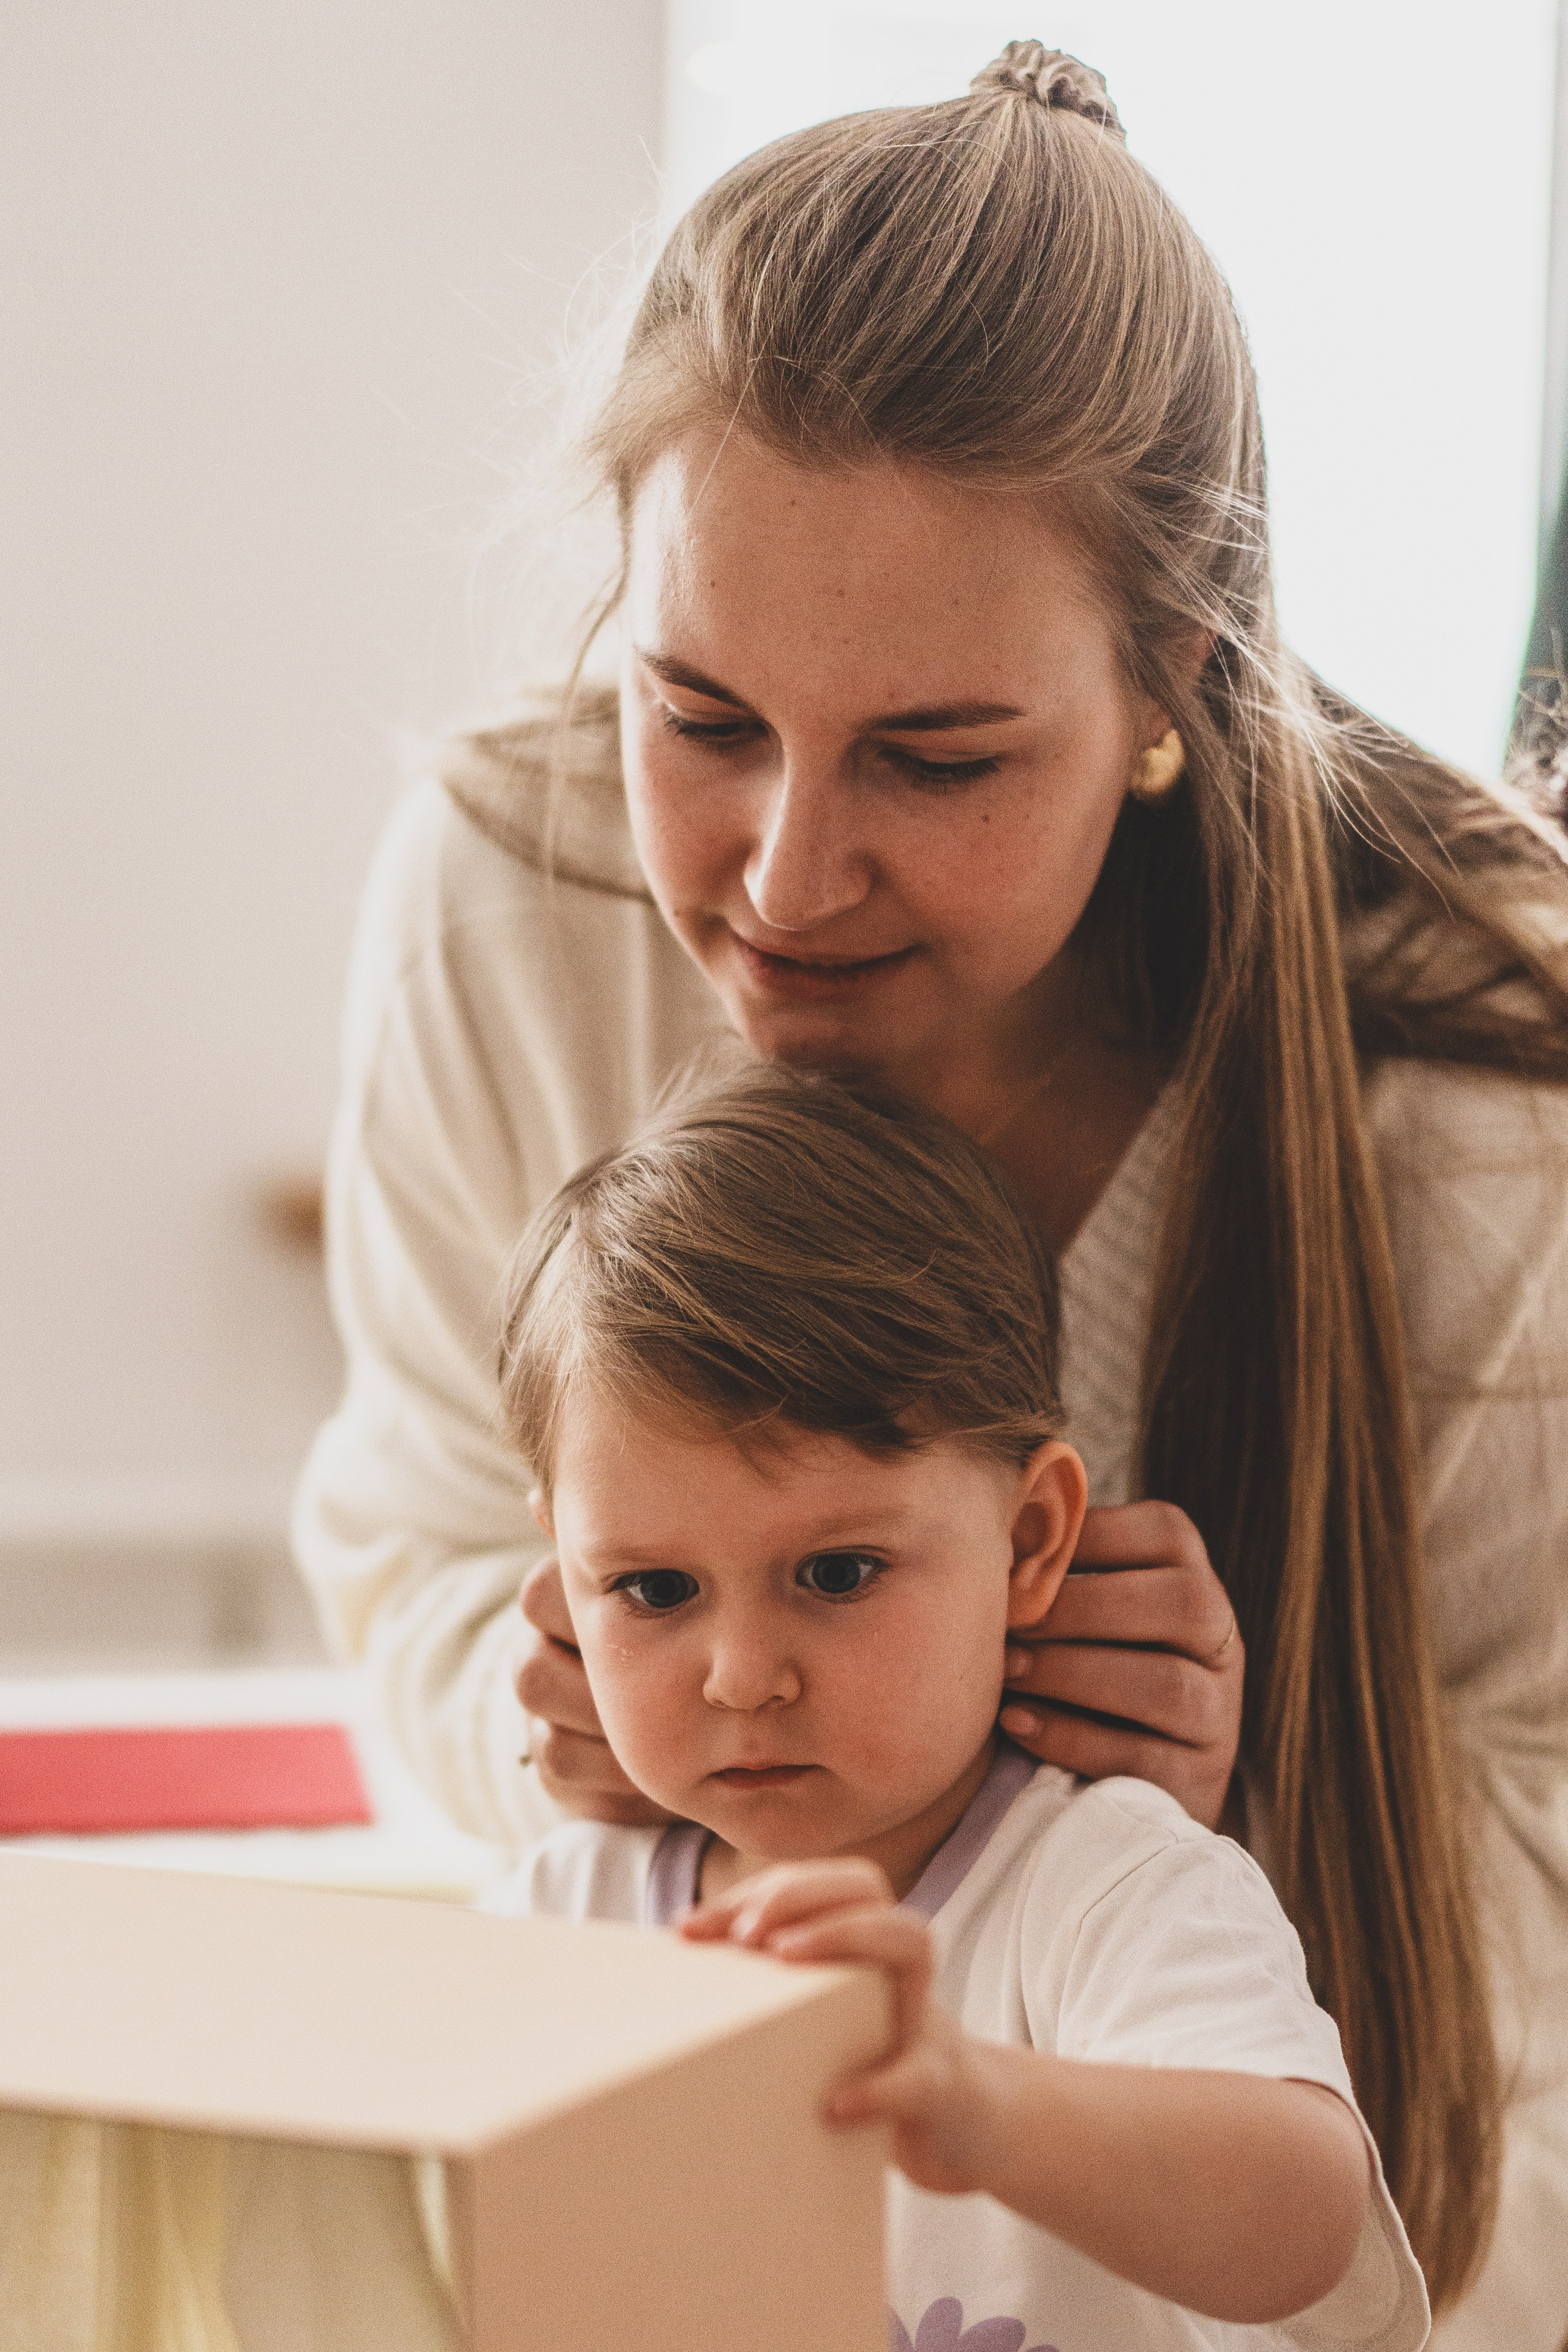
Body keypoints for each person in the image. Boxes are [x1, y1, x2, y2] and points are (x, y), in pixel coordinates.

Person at [292, 38, 1568, 2339]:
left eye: (937, 756)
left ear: (1176, 687)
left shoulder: (1488, 1105)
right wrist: (561, 1702)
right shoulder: (504, 908)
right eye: (698, 716)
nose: (783, 875)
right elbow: (409, 1544)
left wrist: (1209, 1801)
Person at [487, 1059, 1428, 2351]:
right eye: (652, 1588)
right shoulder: (557, 1915)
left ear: (1030, 1538)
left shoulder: (1105, 1884)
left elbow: (1307, 2227)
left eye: (834, 1573)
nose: (741, 1674)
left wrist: (982, 2101)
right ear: (561, 1570)